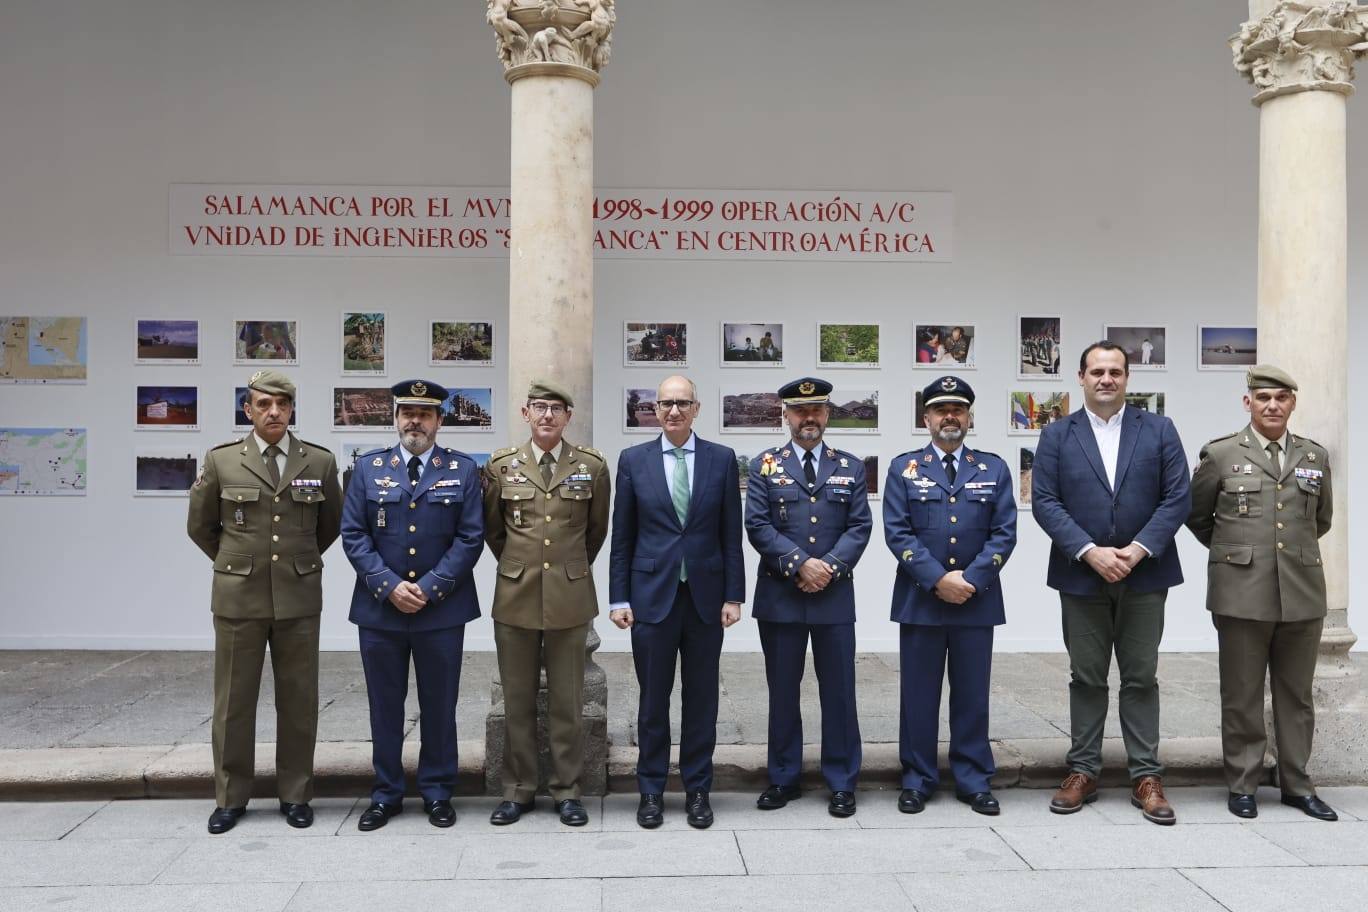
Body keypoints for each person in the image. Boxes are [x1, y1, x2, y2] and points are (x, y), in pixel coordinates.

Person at [1031, 342, 1191, 825]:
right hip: (1081, 574)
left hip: (1146, 574)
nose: (1106, 379)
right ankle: (1083, 770)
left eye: (1115, 372)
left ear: (1127, 379)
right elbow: (1045, 501)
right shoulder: (1058, 434)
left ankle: (1146, 775)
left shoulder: (1159, 430)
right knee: (1087, 676)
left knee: (1141, 676)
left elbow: (1177, 497)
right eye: (1097, 371)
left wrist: (1138, 549)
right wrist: (1090, 551)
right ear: (1080, 377)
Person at [186, 369, 342, 834]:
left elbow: (328, 526)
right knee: (233, 701)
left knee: (299, 701)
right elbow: (200, 526)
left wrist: (294, 562)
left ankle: (295, 794)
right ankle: (231, 797)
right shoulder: (223, 461)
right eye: (263, 404)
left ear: (292, 409)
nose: (273, 412)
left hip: (297, 597)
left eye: (282, 404)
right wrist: (237, 562)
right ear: (248, 409)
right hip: (239, 598)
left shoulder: (318, 462)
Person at [1187, 365, 1338, 822]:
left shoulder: (1314, 457)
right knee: (1242, 692)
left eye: (1281, 398)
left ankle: (1296, 782)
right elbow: (1198, 517)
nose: (1273, 405)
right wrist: (1238, 553)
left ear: (1293, 403)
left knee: (1297, 694)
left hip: (1301, 590)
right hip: (1241, 591)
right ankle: (1243, 783)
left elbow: (1322, 520)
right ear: (1247, 402)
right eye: (1264, 397)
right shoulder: (1221, 454)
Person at [340, 380, 484, 830]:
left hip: (441, 610)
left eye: (424, 413)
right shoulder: (367, 468)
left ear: (440, 420)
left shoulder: (462, 470)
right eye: (407, 413)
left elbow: (471, 535)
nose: (414, 421)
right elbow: (354, 534)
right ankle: (385, 793)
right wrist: (387, 585)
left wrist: (433, 585)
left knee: (440, 704)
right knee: (385, 705)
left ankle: (438, 792)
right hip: (380, 610)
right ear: (396, 418)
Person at [608, 375, 745, 829]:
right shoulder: (634, 460)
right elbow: (622, 537)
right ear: (654, 409)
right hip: (651, 599)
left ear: (697, 408)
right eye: (666, 403)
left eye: (682, 403)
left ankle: (698, 790)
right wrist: (618, 597)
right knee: (653, 700)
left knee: (702, 698)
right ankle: (650, 790)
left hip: (706, 599)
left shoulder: (721, 460)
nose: (673, 411)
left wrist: (734, 595)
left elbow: (731, 534)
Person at [883, 376, 1017, 816]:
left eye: (958, 409)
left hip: (976, 602)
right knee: (918, 696)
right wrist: (939, 579)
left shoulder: (993, 469)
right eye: (941, 410)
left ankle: (973, 778)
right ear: (926, 418)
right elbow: (897, 531)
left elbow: (1003, 534)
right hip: (921, 601)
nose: (950, 417)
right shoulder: (904, 468)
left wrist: (971, 580)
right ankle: (917, 778)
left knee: (972, 696)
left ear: (969, 417)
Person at [482, 380, 610, 827]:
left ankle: (567, 790)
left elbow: (595, 533)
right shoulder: (501, 466)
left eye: (556, 408)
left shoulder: (590, 466)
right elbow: (494, 532)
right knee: (517, 698)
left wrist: (566, 567)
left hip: (570, 596)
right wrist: (523, 564)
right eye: (539, 407)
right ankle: (517, 790)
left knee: (567, 700)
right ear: (525, 413)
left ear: (568, 417)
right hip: (516, 595)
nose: (547, 416)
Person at [746, 377, 872, 817]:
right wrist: (800, 563)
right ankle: (783, 777)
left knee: (839, 691)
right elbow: (758, 525)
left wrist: (828, 569)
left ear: (828, 413)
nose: (809, 418)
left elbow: (860, 527)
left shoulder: (851, 466)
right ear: (786, 415)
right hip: (781, 595)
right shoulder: (763, 465)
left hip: (833, 596)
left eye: (817, 409)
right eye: (800, 411)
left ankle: (841, 780)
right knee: (783, 690)